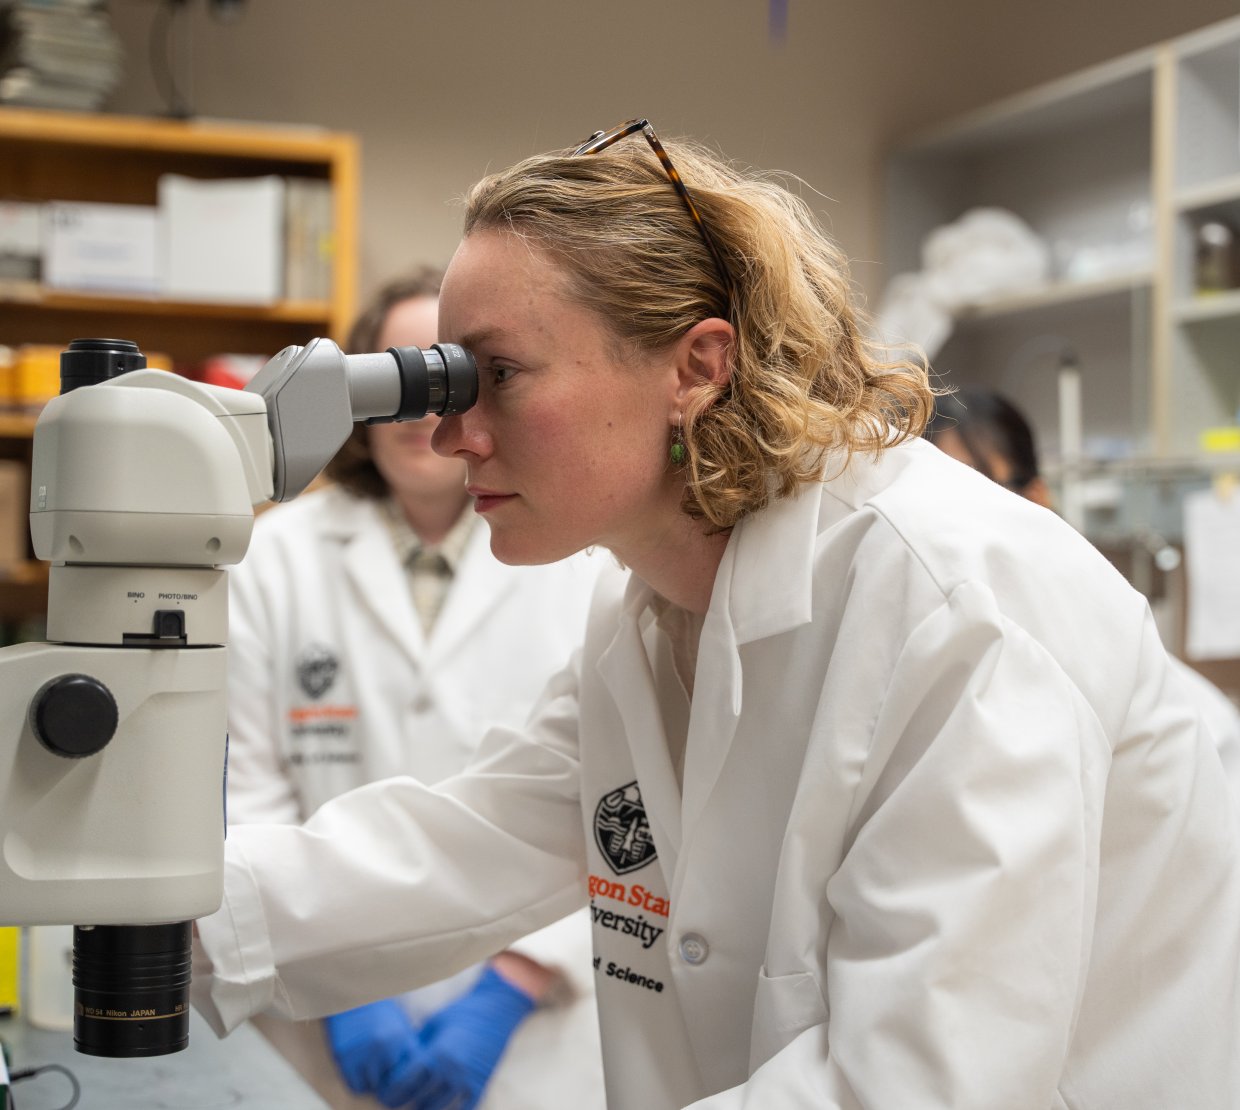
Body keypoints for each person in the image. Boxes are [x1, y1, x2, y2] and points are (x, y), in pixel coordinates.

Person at [193, 120, 1240, 1109]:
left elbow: (911, 1083)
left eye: (497, 375)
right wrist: (134, 900)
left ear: (695, 367)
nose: (453, 431)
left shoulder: (960, 607)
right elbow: (458, 846)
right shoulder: (645, 613)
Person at [223, 267, 606, 1110]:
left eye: (447, 375)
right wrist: (343, 979)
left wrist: (516, 981)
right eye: (390, 373)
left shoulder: (587, 559)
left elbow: (612, 803)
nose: (418, 406)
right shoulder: (270, 560)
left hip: (534, 1031)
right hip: (321, 1019)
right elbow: (247, 792)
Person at [926, 385, 1240, 797]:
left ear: (1035, 498)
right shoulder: (918, 662)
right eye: (930, 502)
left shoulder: (1172, 705)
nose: (941, 528)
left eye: (972, 491)